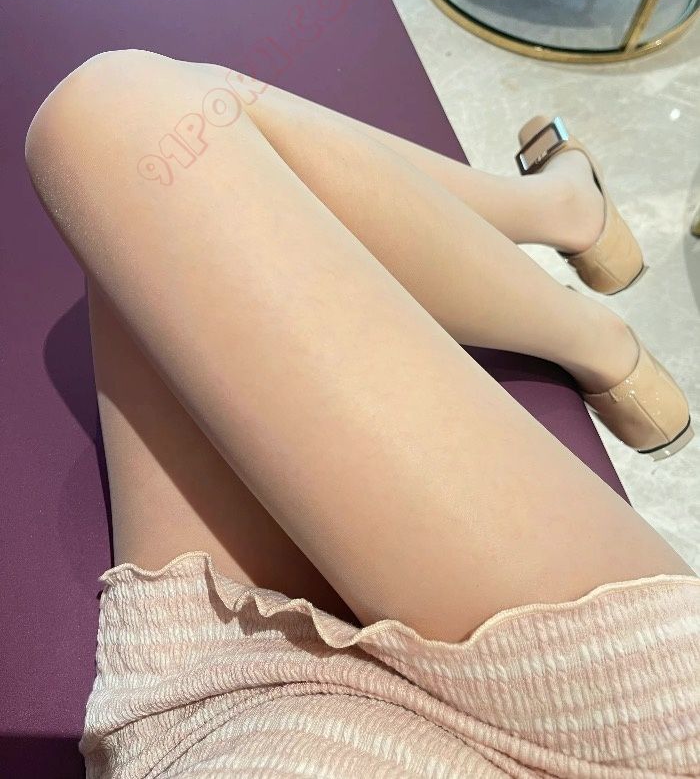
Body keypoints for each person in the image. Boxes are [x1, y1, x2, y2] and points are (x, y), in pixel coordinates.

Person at [25, 50, 699, 778]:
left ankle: (567, 230)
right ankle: (581, 276)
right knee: (137, 117)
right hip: (600, 728)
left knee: (142, 134)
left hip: (219, 714)